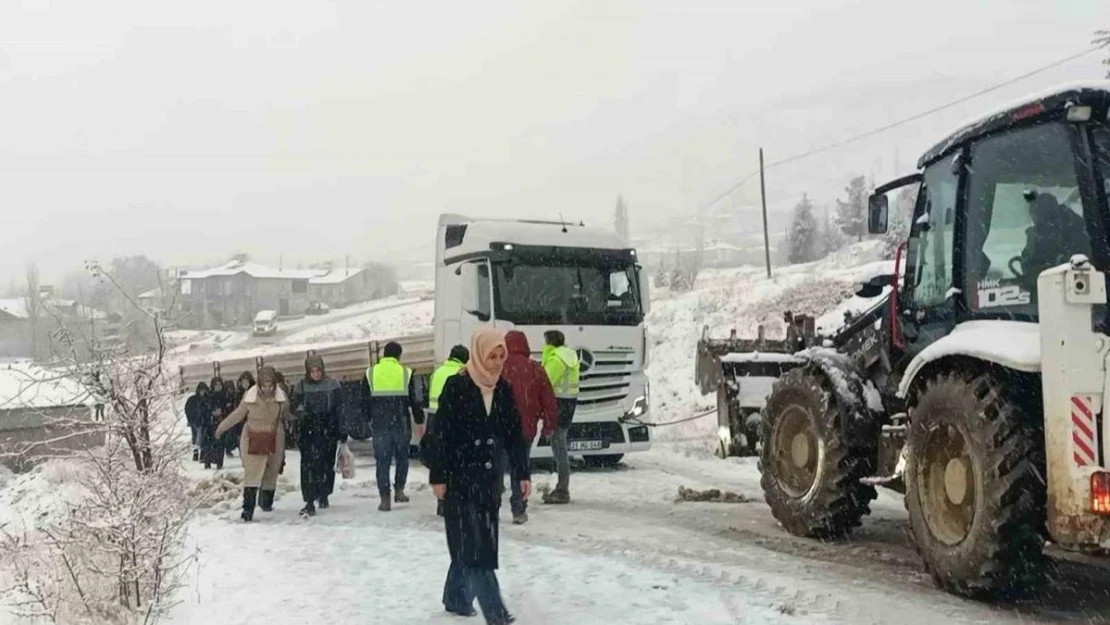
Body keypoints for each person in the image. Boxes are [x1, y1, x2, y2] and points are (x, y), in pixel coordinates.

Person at [427, 327, 530, 625]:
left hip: (488, 481)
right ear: (478, 355)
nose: (497, 362)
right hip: (460, 479)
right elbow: (440, 435)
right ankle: (496, 614)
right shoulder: (456, 386)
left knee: (473, 544)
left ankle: (456, 597)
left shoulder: (504, 389)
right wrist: (439, 477)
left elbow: (514, 436)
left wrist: (522, 473)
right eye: (492, 356)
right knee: (477, 551)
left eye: (501, 356)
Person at [215, 365, 288, 522]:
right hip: (252, 438)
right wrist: (222, 428)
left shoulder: (281, 398)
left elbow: (287, 413)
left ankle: (266, 503)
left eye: (270, 386)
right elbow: (238, 414)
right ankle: (247, 510)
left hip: (275, 437)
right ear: (259, 385)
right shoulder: (250, 397)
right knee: (252, 473)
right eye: (264, 386)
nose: (267, 389)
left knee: (271, 471)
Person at [500, 330, 557, 524]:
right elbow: (549, 400)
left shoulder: (498, 367)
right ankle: (519, 509)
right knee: (520, 467)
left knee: (495, 466)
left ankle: (490, 505)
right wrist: (548, 426)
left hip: (499, 428)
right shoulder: (535, 369)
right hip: (525, 428)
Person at [363, 341, 421, 511]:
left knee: (382, 460)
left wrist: (368, 418)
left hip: (380, 422)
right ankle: (400, 491)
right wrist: (418, 417)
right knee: (402, 457)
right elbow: (413, 399)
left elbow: (364, 399)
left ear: (384, 354)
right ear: (398, 355)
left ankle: (384, 498)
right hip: (400, 421)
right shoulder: (405, 372)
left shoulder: (370, 372)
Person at [290, 355, 346, 517]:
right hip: (309, 430)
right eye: (312, 371)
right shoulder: (301, 386)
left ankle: (324, 493)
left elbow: (339, 409)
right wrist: (303, 413)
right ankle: (309, 499)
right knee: (308, 466)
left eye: (318, 370)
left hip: (328, 429)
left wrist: (341, 430)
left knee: (326, 464)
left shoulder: (332, 385)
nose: (315, 374)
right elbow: (294, 407)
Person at [423, 344, 469, 517]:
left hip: (435, 419)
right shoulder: (461, 373)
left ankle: (441, 500)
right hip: (454, 421)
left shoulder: (438, 371)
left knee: (439, 461)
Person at [541, 329, 580, 505]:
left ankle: (562, 490)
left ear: (549, 342)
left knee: (558, 445)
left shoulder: (557, 359)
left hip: (559, 404)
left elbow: (545, 380)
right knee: (559, 443)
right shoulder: (569, 355)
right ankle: (562, 487)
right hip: (569, 403)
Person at [202, 376, 234, 470]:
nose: (218, 387)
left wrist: (222, 412)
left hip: (221, 423)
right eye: (216, 385)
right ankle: (207, 462)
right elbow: (204, 409)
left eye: (220, 384)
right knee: (209, 444)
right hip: (210, 424)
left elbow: (230, 409)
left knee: (220, 444)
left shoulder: (225, 396)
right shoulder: (208, 396)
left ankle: (219, 463)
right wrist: (211, 412)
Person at [184, 382, 210, 462]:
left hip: (203, 421)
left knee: (201, 437)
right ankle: (196, 453)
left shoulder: (207, 399)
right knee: (196, 437)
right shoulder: (193, 399)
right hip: (195, 421)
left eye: (204, 390)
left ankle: (200, 453)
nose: (203, 392)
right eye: (201, 390)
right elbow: (188, 410)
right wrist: (191, 419)